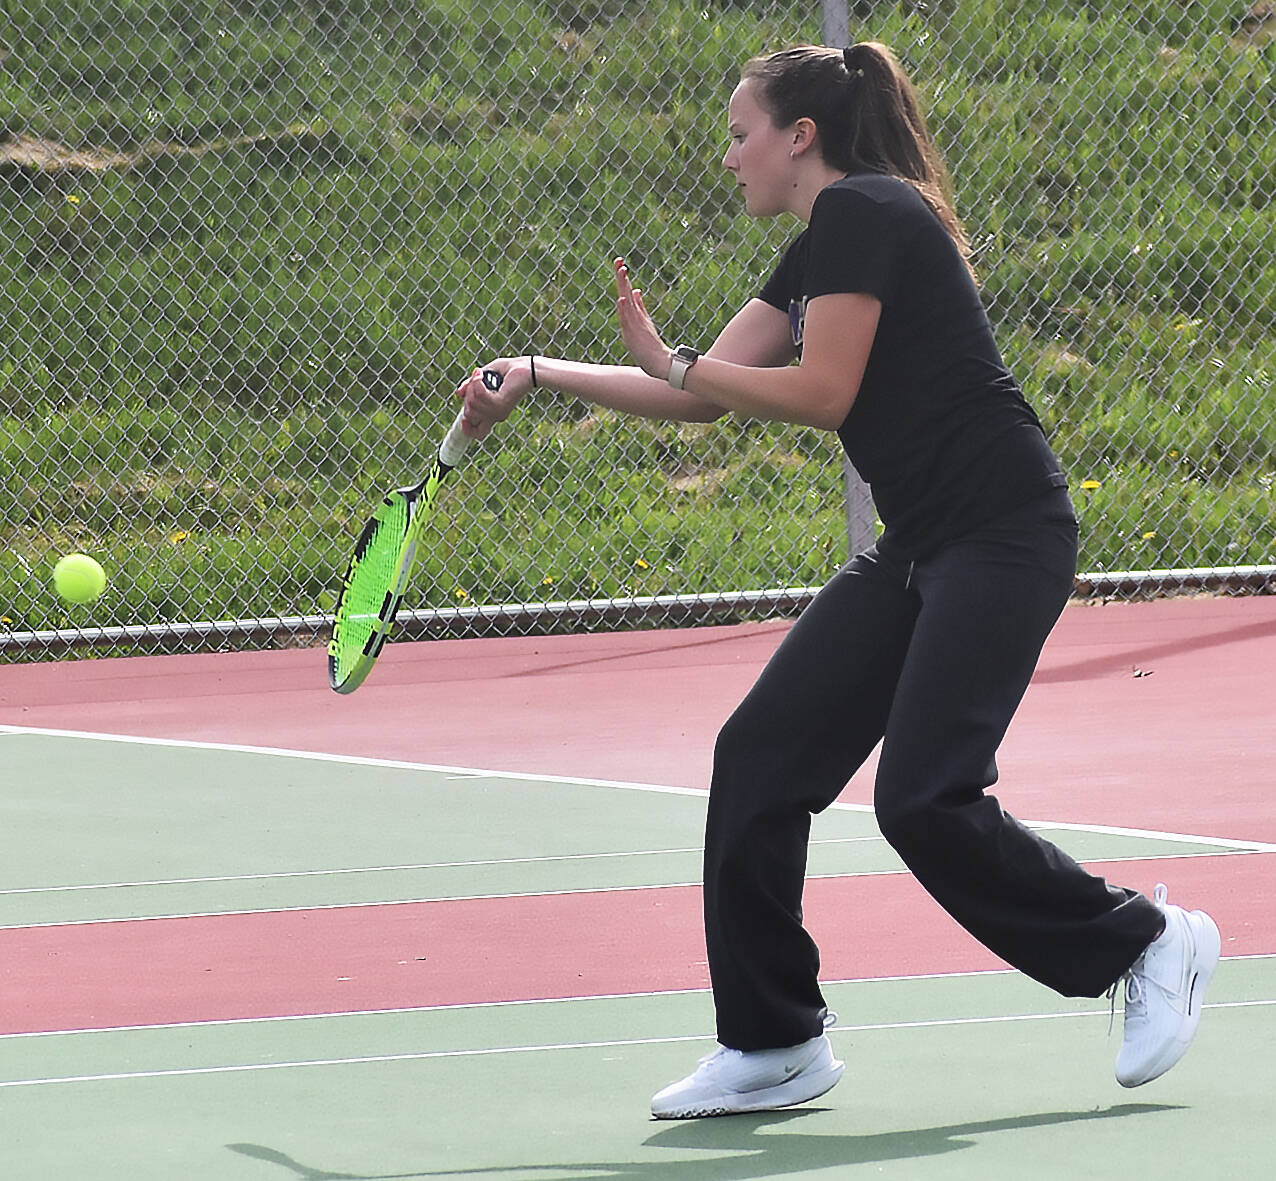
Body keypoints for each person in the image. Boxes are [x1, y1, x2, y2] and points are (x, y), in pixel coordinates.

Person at [455, 42, 1221, 1119]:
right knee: (761, 755)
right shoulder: (823, 242)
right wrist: (533, 372)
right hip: (917, 544)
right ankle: (772, 1043)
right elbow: (699, 400)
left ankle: (1147, 940)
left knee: (922, 796)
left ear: (799, 135)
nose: (729, 158)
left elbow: (819, 392)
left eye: (739, 133)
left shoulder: (866, 210)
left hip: (1002, 533)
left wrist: (675, 360)